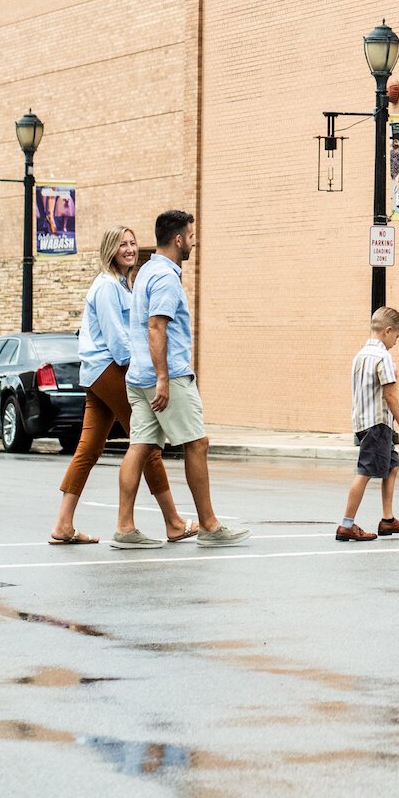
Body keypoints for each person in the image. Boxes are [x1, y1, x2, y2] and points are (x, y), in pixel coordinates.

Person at [49, 226, 197, 547]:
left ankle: (63, 524)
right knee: (146, 442)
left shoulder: (122, 285)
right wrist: (143, 372)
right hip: (109, 369)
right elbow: (118, 342)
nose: (129, 249)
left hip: (99, 373)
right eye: (122, 244)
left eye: (132, 243)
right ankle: (172, 522)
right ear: (110, 250)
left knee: (88, 448)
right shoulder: (106, 287)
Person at [113, 209, 247, 549]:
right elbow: (157, 326)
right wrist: (163, 378)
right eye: (190, 235)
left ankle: (125, 528)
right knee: (197, 444)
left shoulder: (145, 271)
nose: (194, 241)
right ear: (177, 239)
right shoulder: (166, 278)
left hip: (138, 377)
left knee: (139, 447)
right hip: (167, 377)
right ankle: (210, 525)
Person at [337, 306, 399, 542]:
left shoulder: (360, 355)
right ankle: (346, 525)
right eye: (397, 336)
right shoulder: (383, 357)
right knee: (365, 472)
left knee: (391, 464)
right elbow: (390, 395)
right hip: (377, 424)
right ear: (388, 331)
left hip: (362, 421)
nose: (396, 342)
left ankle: (388, 520)